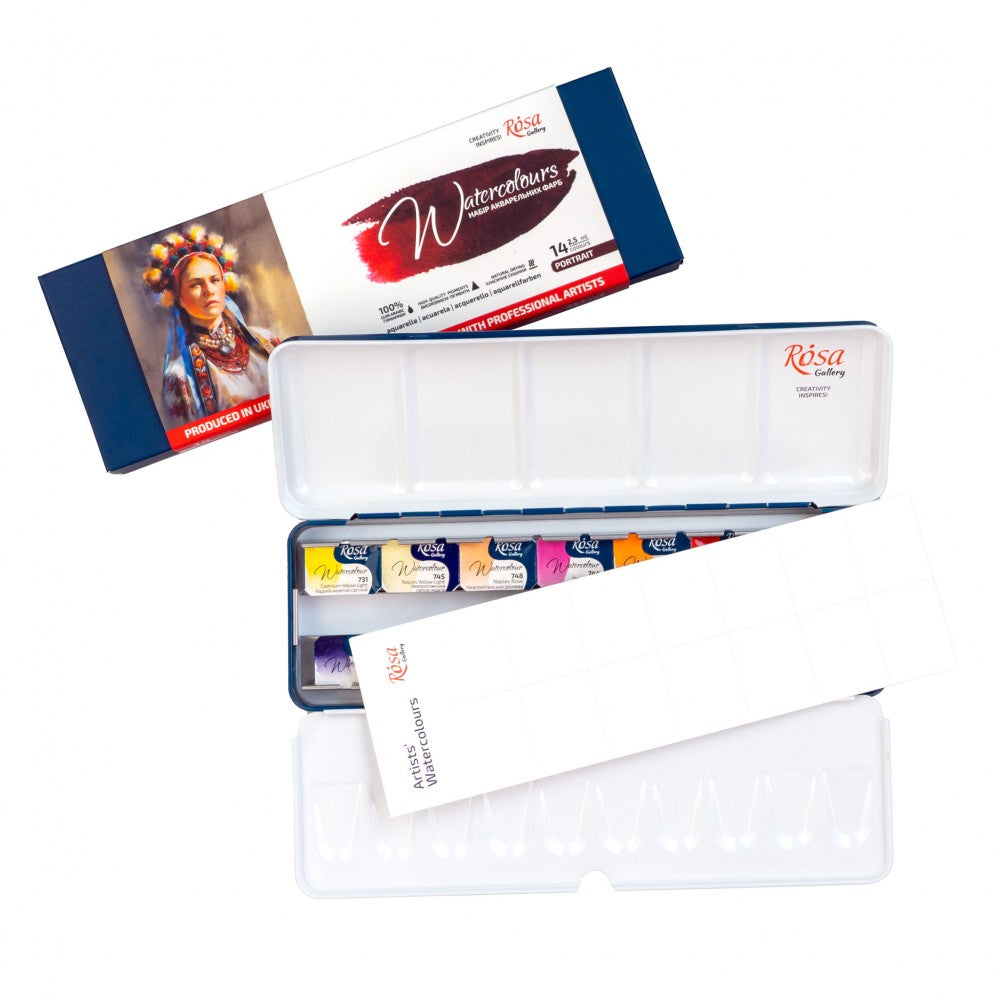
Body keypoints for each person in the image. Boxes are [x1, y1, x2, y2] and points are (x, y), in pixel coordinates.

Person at [142, 224, 278, 423]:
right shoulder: (180, 376)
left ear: (225, 284)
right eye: (195, 284)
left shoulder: (266, 341)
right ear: (179, 298)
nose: (209, 290)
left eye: (214, 280)